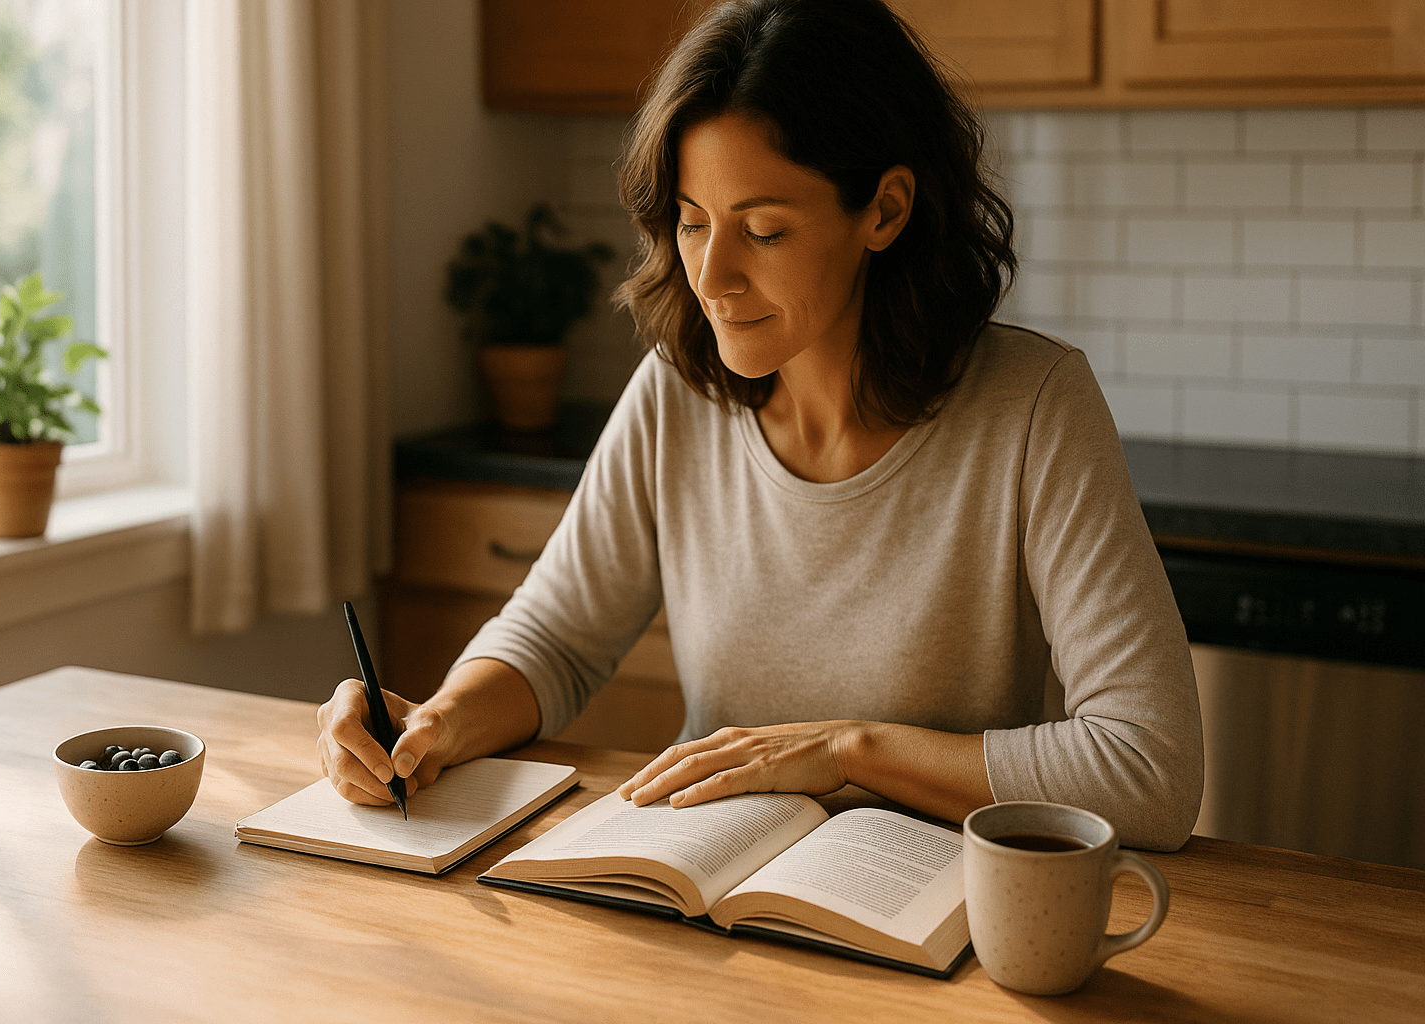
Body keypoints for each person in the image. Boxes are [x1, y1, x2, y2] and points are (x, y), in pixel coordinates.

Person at [317, 0, 1203, 851]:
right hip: (708, 883)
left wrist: (845, 751)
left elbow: (1150, 768)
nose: (711, 277)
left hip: (933, 914)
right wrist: (432, 724)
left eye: (765, 231)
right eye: (693, 224)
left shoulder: (1035, 406)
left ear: (886, 210)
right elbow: (554, 638)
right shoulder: (677, 391)